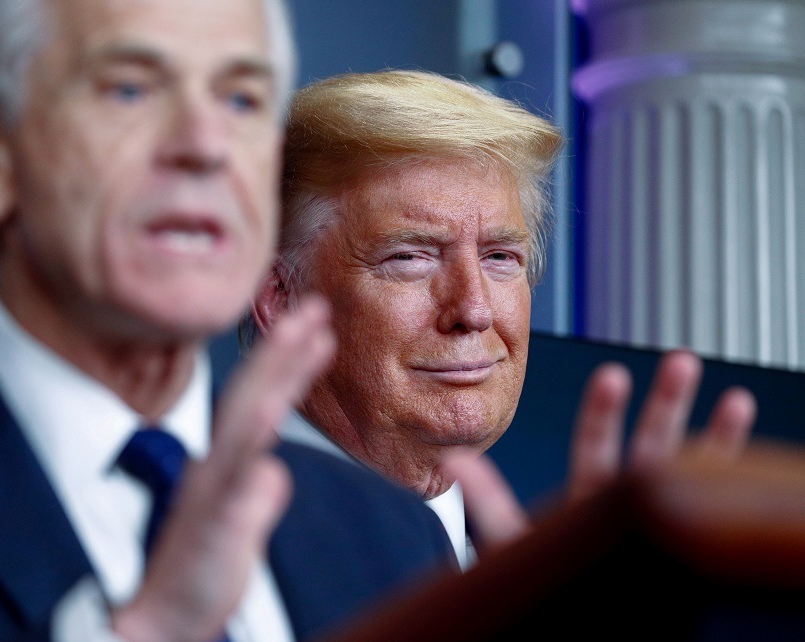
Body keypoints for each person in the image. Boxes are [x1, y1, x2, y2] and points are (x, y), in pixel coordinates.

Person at [0, 4, 455, 642]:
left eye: (241, 99)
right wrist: (136, 641)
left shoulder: (394, 539)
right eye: (130, 89)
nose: (206, 145)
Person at [250, 70, 758, 566]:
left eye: (499, 257)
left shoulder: (573, 558)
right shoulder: (197, 542)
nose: (473, 310)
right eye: (410, 257)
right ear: (280, 298)